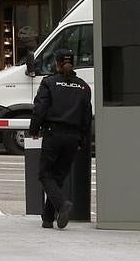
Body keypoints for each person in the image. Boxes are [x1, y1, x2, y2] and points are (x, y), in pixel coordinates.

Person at [29, 49, 92, 229]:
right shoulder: (83, 87)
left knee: (44, 174)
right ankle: (48, 218)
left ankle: (62, 205)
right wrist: (82, 139)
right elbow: (86, 116)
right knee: (57, 177)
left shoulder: (49, 82)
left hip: (53, 134)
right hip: (73, 138)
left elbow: (40, 108)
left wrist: (34, 130)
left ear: (56, 64)